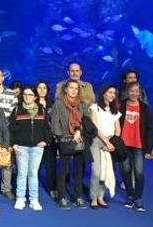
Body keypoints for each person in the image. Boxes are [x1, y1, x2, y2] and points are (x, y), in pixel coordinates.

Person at [9, 86, 50, 211]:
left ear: (35, 97)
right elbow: (11, 128)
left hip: (37, 148)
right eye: (25, 94)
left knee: (33, 173)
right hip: (21, 147)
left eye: (30, 95)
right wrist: (13, 144)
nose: (28, 97)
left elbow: (47, 128)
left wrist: (46, 141)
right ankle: (20, 198)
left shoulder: (42, 110)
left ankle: (34, 199)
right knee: (22, 173)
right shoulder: (17, 110)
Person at [50, 80, 88, 210]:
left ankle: (77, 196)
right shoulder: (58, 103)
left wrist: (78, 131)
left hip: (79, 140)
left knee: (78, 171)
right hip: (65, 140)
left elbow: (86, 122)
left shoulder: (82, 105)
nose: (73, 90)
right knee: (63, 170)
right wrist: (61, 138)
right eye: (71, 88)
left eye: (76, 88)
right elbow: (55, 123)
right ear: (65, 89)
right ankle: (61, 197)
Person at [119, 82, 153, 212]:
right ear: (127, 92)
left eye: (136, 91)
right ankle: (130, 195)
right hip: (124, 144)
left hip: (139, 145)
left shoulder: (145, 108)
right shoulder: (121, 105)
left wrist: (148, 149)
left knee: (139, 172)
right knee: (126, 171)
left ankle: (138, 198)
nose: (134, 93)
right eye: (132, 91)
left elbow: (150, 129)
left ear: (139, 92)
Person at [88, 85, 122, 209]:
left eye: (114, 93)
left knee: (106, 171)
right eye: (110, 92)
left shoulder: (115, 112)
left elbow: (118, 129)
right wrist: (106, 142)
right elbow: (94, 127)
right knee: (96, 172)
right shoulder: (95, 107)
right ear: (104, 94)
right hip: (97, 142)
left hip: (110, 143)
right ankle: (93, 197)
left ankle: (101, 197)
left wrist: (112, 142)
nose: (112, 95)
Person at [0, 68, 18, 200]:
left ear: (3, 77)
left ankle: (6, 188)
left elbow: (14, 116)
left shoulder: (11, 94)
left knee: (7, 160)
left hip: (6, 130)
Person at [35, 81, 58, 200]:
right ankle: (33, 189)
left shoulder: (53, 104)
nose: (42, 90)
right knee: (35, 166)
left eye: (44, 88)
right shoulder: (31, 103)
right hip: (35, 139)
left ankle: (52, 188)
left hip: (50, 139)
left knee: (50, 165)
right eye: (39, 87)